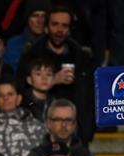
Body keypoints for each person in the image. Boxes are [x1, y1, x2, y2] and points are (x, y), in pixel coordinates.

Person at [17, 6, 95, 144]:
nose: (59, 30)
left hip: (76, 135)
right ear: (46, 27)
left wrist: (86, 133)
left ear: (69, 29)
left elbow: (89, 99)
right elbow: (22, 95)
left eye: (64, 26)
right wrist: (51, 81)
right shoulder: (31, 55)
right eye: (55, 24)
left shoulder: (81, 57)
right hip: (39, 134)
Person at [3, 0, 50, 72]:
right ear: (27, 19)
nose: (40, 21)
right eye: (35, 16)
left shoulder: (53, 44)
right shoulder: (13, 44)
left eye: (44, 16)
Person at [22, 58, 56, 122]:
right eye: (38, 74)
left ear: (53, 80)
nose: (44, 78)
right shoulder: (22, 101)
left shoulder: (54, 102)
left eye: (48, 74)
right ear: (29, 80)